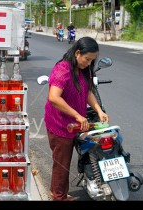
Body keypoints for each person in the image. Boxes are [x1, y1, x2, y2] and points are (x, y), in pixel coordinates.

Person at [44, 37, 109, 201]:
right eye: (87, 59)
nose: (89, 63)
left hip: (77, 122)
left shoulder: (84, 70)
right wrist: (77, 115)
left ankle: (63, 192)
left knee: (85, 151)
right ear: (77, 52)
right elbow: (53, 97)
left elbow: (87, 92)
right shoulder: (63, 69)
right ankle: (58, 196)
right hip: (60, 124)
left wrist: (99, 110)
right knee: (62, 163)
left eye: (92, 61)